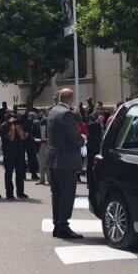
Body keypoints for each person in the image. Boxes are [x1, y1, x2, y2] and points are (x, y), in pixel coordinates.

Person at [47, 88, 87, 239]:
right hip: (66, 160)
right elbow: (74, 136)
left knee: (56, 194)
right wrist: (83, 140)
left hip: (53, 158)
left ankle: (57, 224)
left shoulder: (52, 111)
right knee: (66, 194)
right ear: (71, 99)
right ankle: (63, 225)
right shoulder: (66, 114)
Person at [0, 112, 29, 200]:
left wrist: (17, 128)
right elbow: (11, 138)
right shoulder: (4, 126)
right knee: (9, 173)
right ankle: (9, 193)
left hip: (19, 152)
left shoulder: (18, 125)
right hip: (9, 153)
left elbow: (23, 137)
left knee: (20, 173)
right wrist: (12, 128)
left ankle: (20, 192)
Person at [86, 111, 105, 195]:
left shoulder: (101, 125)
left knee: (97, 165)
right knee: (90, 164)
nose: (102, 119)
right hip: (91, 147)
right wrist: (97, 122)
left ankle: (96, 182)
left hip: (98, 146)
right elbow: (89, 127)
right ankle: (89, 182)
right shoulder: (92, 121)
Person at [36, 110, 49, 185]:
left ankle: (47, 179)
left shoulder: (49, 125)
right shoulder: (37, 124)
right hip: (41, 144)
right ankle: (43, 179)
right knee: (42, 163)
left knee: (45, 163)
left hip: (46, 144)